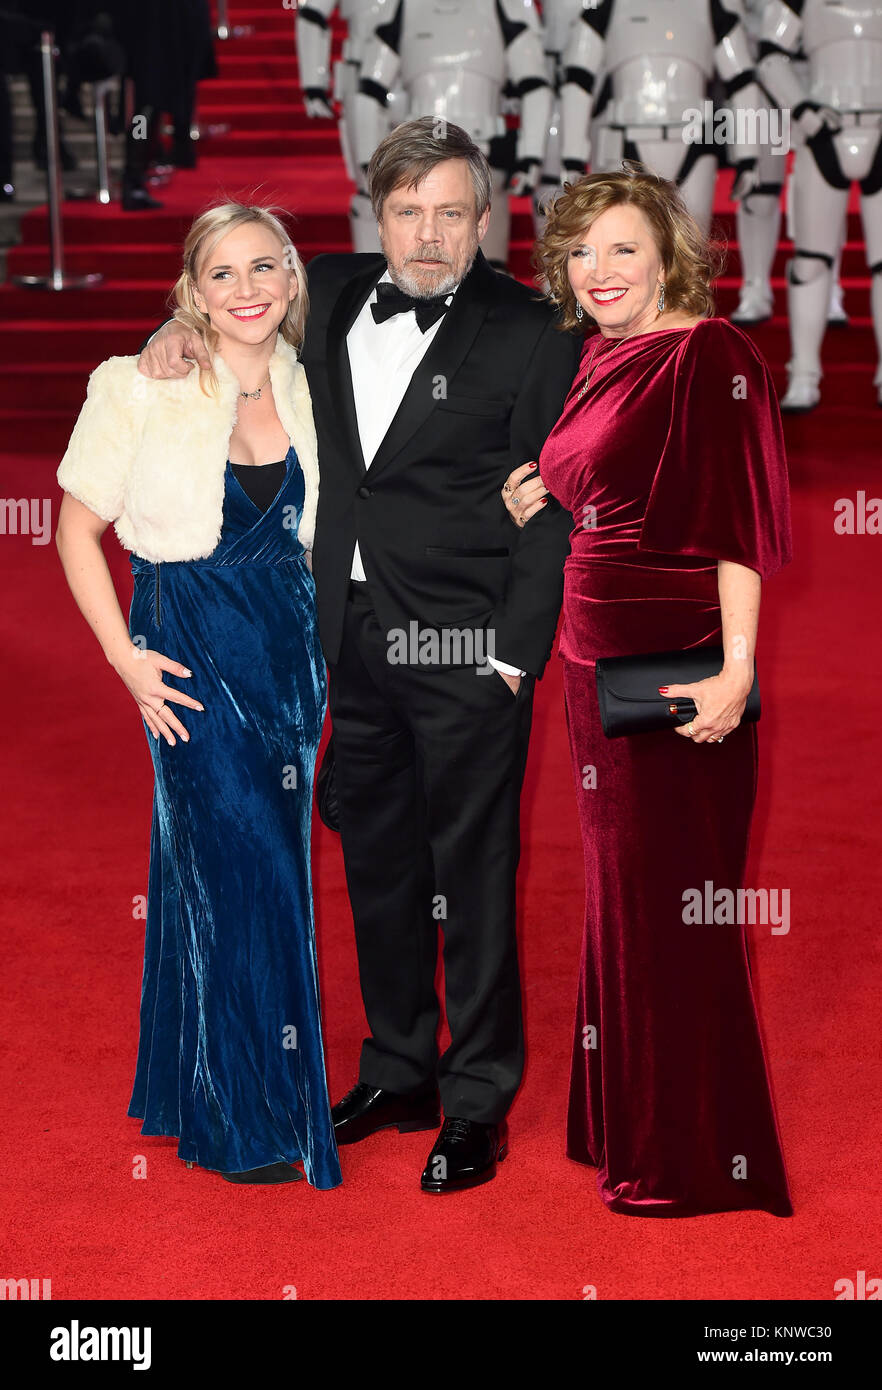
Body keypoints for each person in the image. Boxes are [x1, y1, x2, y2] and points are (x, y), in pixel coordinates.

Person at [139, 118, 582, 1193]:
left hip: (473, 647)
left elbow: (552, 508)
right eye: (405, 211)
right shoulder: (329, 290)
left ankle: (476, 1096)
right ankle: (400, 1063)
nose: (427, 235)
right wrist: (177, 336)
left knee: (471, 877)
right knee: (378, 861)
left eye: (450, 212)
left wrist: (517, 658)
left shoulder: (533, 329)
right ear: (371, 217)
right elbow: (234, 308)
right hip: (347, 642)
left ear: (487, 219)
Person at [502, 167, 794, 1217]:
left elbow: (737, 523)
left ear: (669, 252)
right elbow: (604, 493)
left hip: (677, 668)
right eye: (580, 252)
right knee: (626, 907)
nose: (599, 270)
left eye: (622, 247)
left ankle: (692, 1159)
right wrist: (542, 491)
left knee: (672, 909)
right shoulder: (598, 356)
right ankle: (628, 1119)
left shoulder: (709, 354)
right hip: (592, 667)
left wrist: (737, 668)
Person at [55, 203, 342, 1190]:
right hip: (186, 651)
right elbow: (73, 530)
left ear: (294, 277)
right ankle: (249, 1116)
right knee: (244, 865)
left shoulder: (314, 380)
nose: (248, 288)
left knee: (259, 868)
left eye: (266, 266)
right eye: (222, 273)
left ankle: (201, 1082)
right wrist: (125, 660)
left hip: (290, 661)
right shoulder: (140, 383)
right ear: (192, 288)